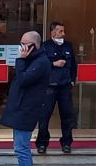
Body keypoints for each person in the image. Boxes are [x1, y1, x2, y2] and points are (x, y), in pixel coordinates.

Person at [0, 31, 51, 166]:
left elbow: (23, 80)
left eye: (24, 44)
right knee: (19, 147)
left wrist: (21, 60)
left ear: (34, 46)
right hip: (21, 108)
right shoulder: (32, 60)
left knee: (22, 148)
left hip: (27, 110)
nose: (21, 48)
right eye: (20, 44)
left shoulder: (40, 62)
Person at [36, 21, 77, 154]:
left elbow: (74, 65)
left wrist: (72, 81)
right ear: (53, 32)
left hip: (65, 86)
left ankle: (66, 142)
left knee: (67, 116)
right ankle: (42, 143)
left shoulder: (68, 46)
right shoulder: (45, 46)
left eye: (63, 31)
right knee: (44, 116)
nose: (63, 34)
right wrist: (53, 64)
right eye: (60, 31)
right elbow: (39, 64)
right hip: (49, 87)